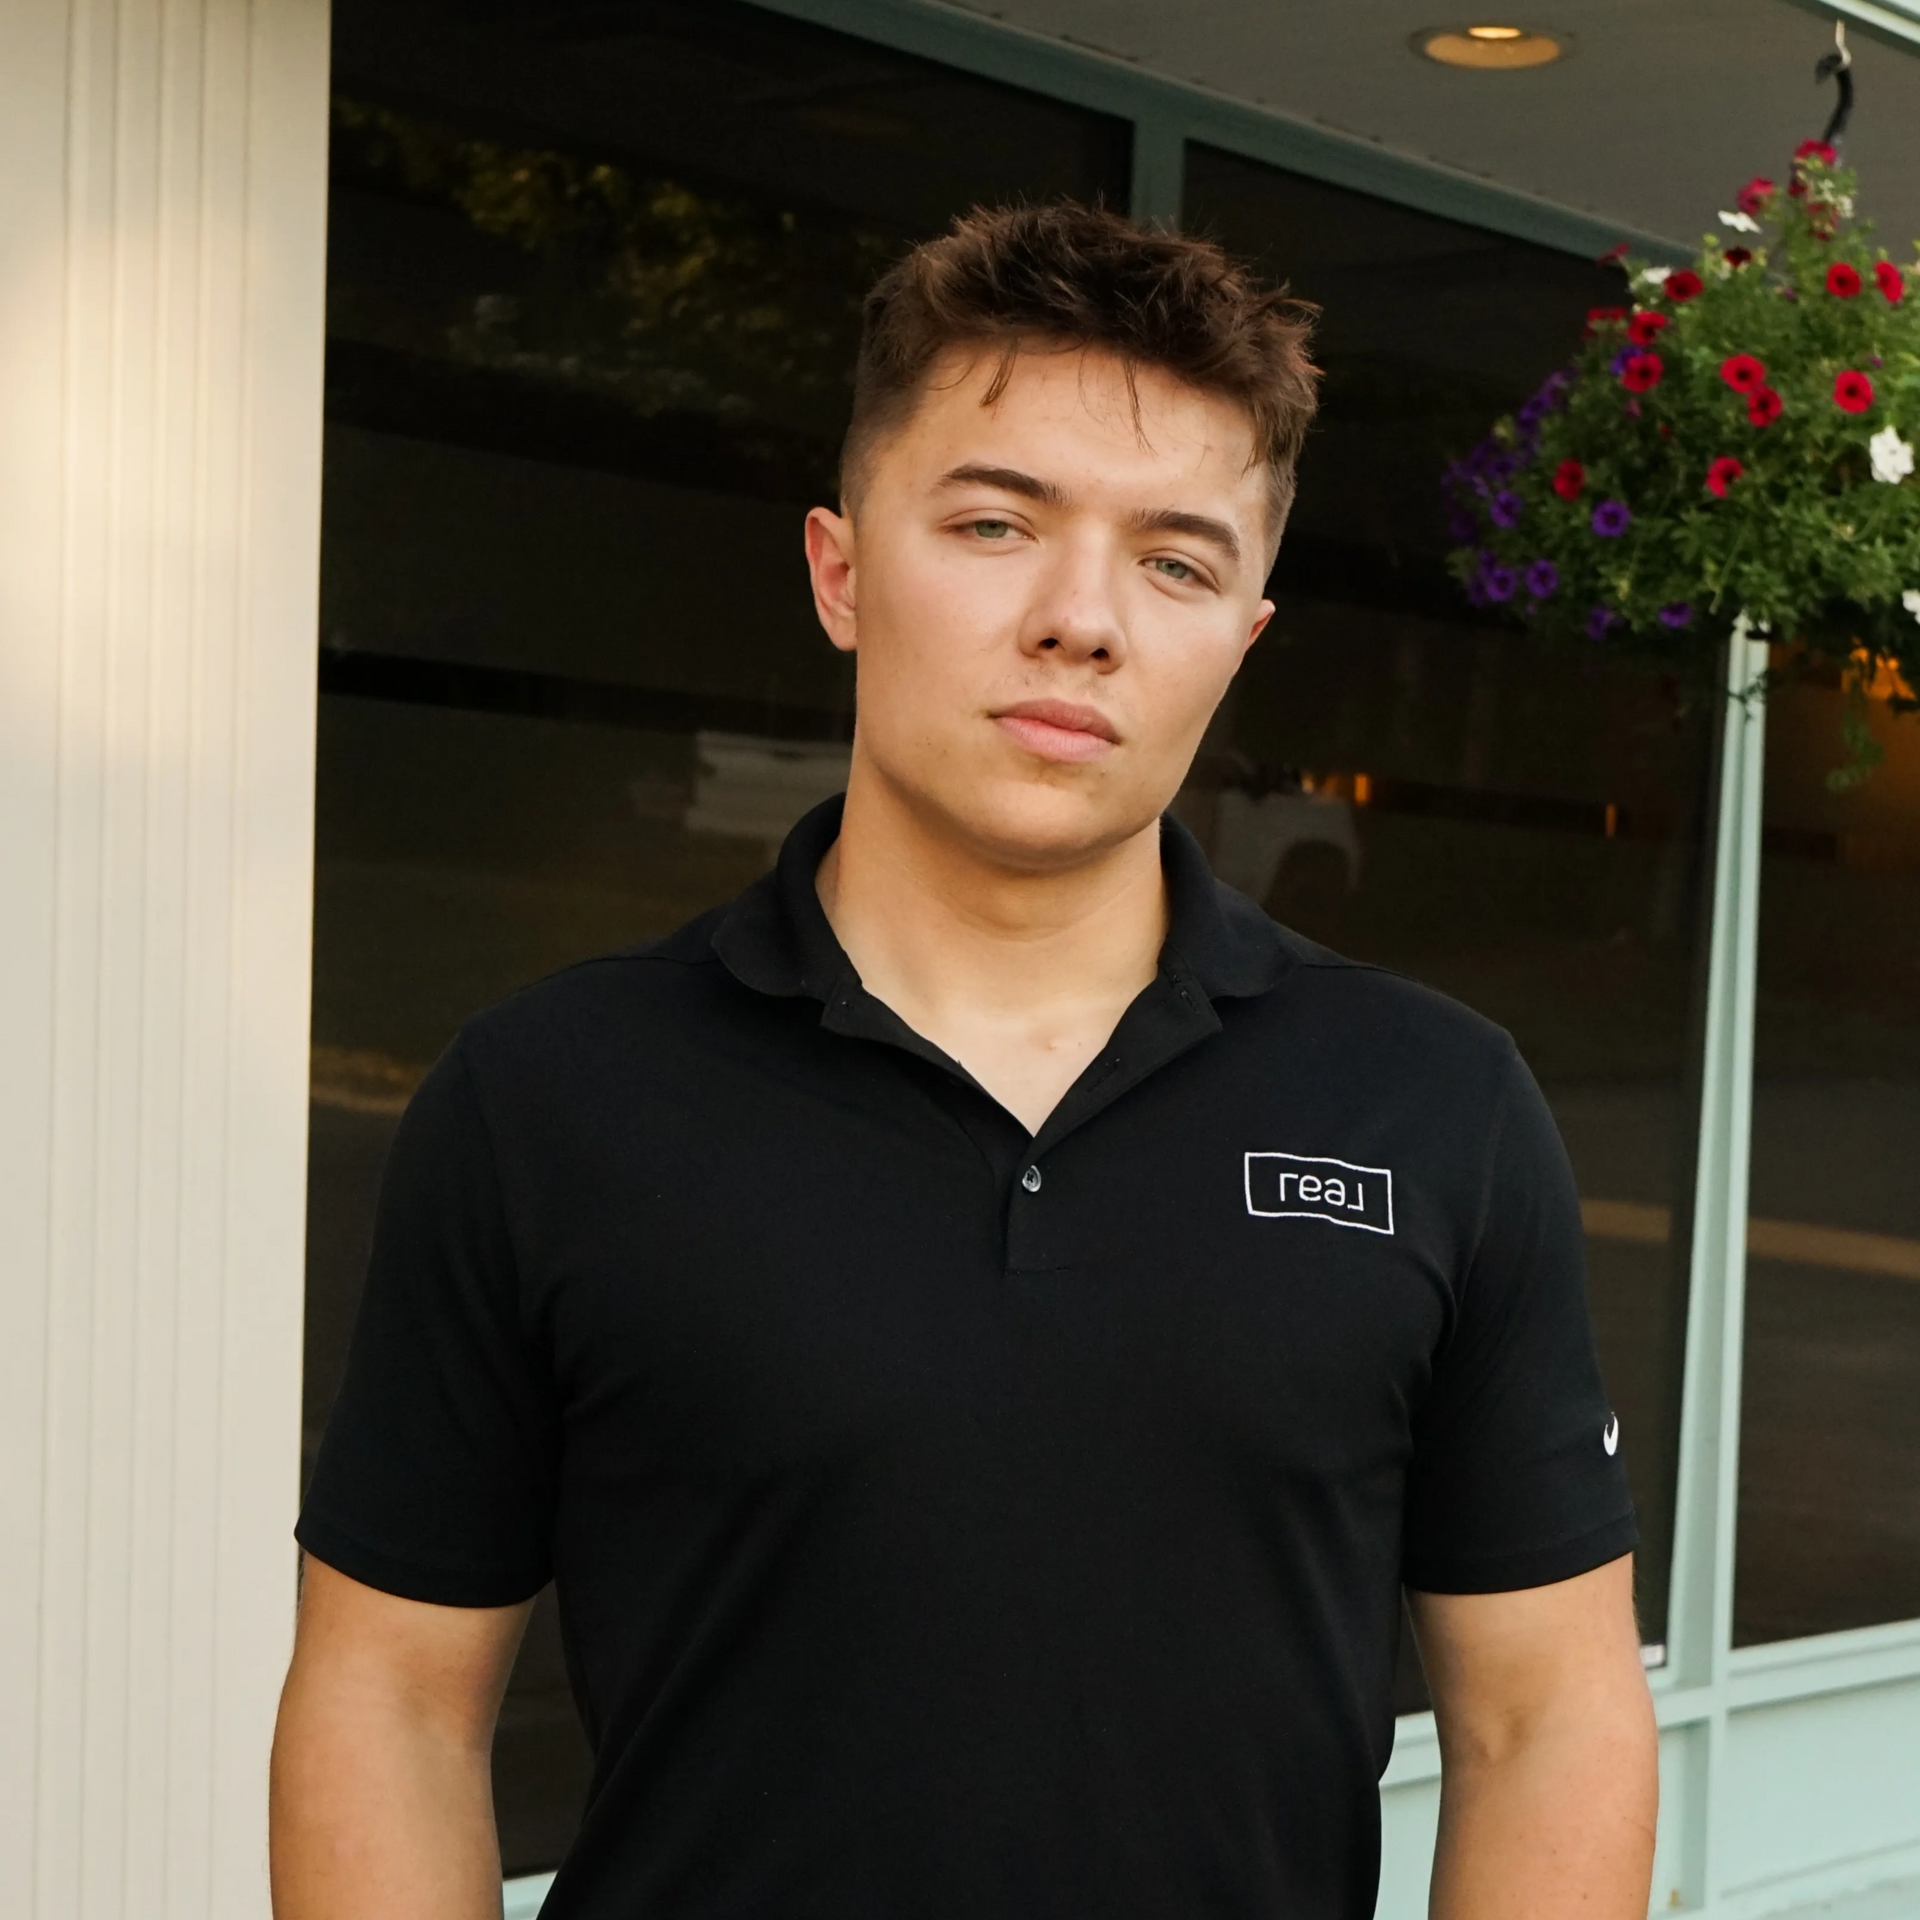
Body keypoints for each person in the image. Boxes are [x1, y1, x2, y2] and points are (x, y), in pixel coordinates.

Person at [271, 201, 1658, 1920]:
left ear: (1238, 638)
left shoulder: (1435, 1107)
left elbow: (1550, 1719)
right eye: (997, 521)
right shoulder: (550, 1098)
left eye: (1175, 560)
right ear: (841, 569)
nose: (1083, 620)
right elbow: (389, 1698)